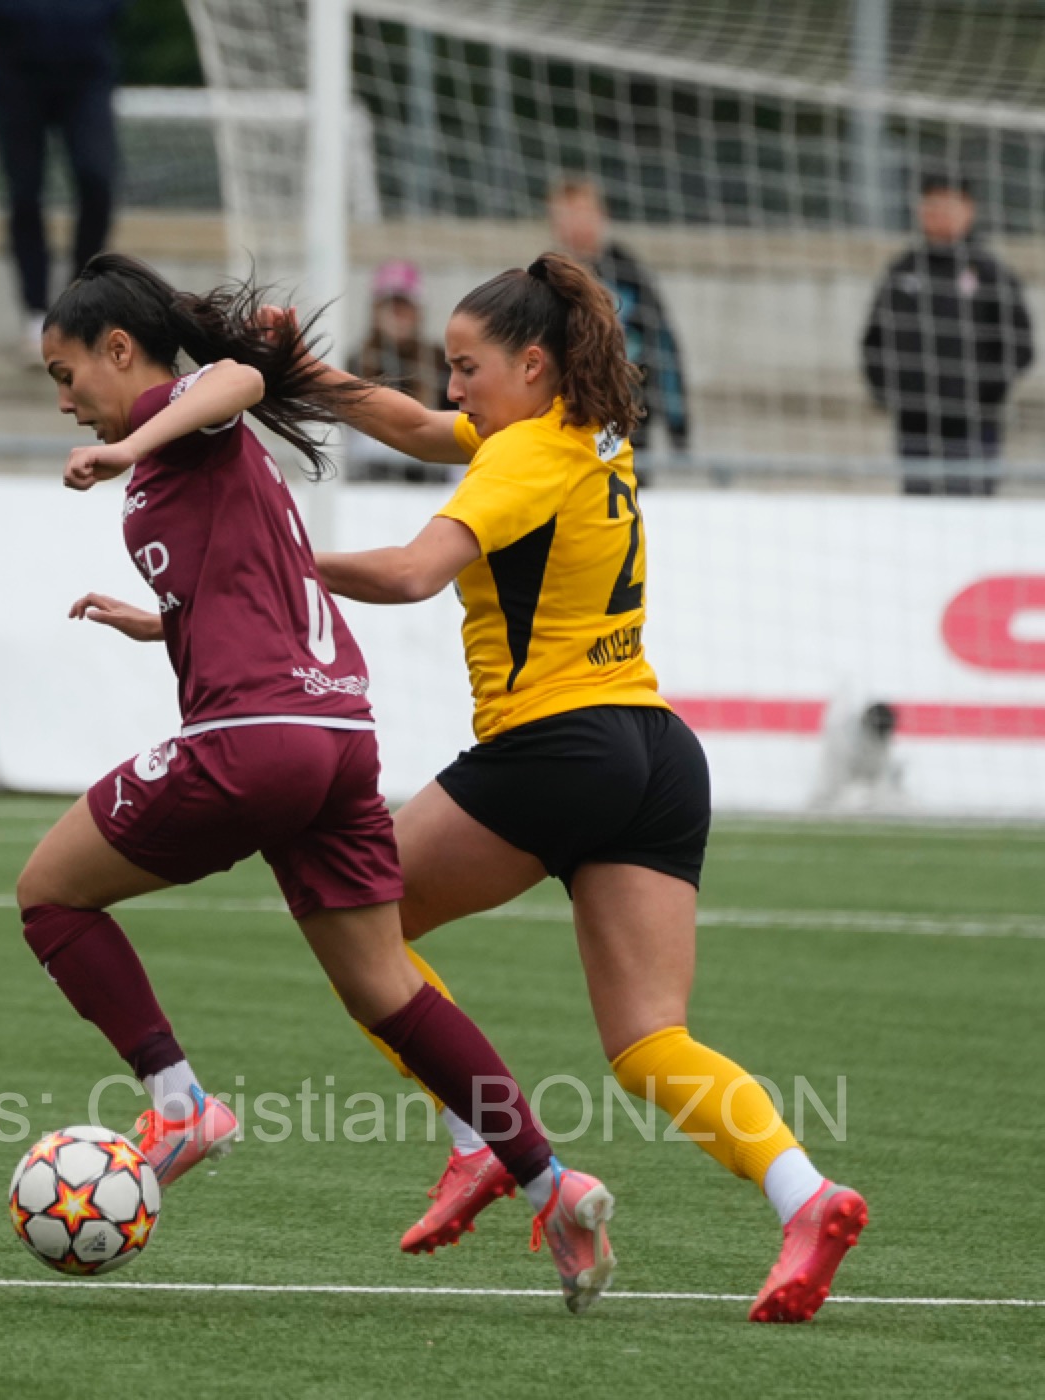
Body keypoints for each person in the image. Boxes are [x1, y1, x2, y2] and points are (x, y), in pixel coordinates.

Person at [25, 253, 618, 1314]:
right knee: (383, 986)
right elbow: (247, 582)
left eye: (66, 372)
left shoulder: (181, 414)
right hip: (337, 737)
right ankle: (551, 1181)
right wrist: (160, 623)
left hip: (255, 737)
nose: (63, 397)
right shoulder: (197, 453)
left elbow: (239, 380)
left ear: (121, 351)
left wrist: (126, 439)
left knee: (49, 892)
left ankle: (177, 1100)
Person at [299, 252, 867, 1323]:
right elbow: (420, 429)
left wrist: (282, 560)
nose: (451, 386)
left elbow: (418, 574)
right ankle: (808, 1193)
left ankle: (480, 1141)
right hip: (657, 751)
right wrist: (302, 374)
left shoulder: (519, 464)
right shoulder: (588, 436)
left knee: (353, 915)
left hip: (557, 743)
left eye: (467, 367)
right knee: (653, 1039)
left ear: (533, 365)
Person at [860, 171, 1035, 495]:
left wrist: (984, 392)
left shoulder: (990, 273)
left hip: (973, 423)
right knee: (920, 510)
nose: (938, 213)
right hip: (914, 421)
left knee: (969, 511)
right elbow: (874, 339)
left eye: (948, 205)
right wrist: (888, 391)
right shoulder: (903, 270)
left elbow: (1020, 345)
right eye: (932, 204)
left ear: (969, 210)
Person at [0, 0, 126, 353]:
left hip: (87, 71)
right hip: (15, 73)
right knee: (24, 193)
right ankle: (35, 311)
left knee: (96, 180)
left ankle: (79, 301)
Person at [550, 177, 689, 465]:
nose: (576, 224)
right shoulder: (547, 278)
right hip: (566, 417)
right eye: (567, 216)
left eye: (583, 214)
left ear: (602, 216)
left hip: (629, 411)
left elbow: (662, 342)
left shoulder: (629, 272)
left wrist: (678, 424)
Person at [348, 259, 452, 483]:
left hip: (431, 476)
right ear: (375, 310)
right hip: (369, 478)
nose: (397, 314)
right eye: (389, 305)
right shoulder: (357, 361)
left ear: (418, 311)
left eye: (404, 305)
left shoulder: (440, 361)